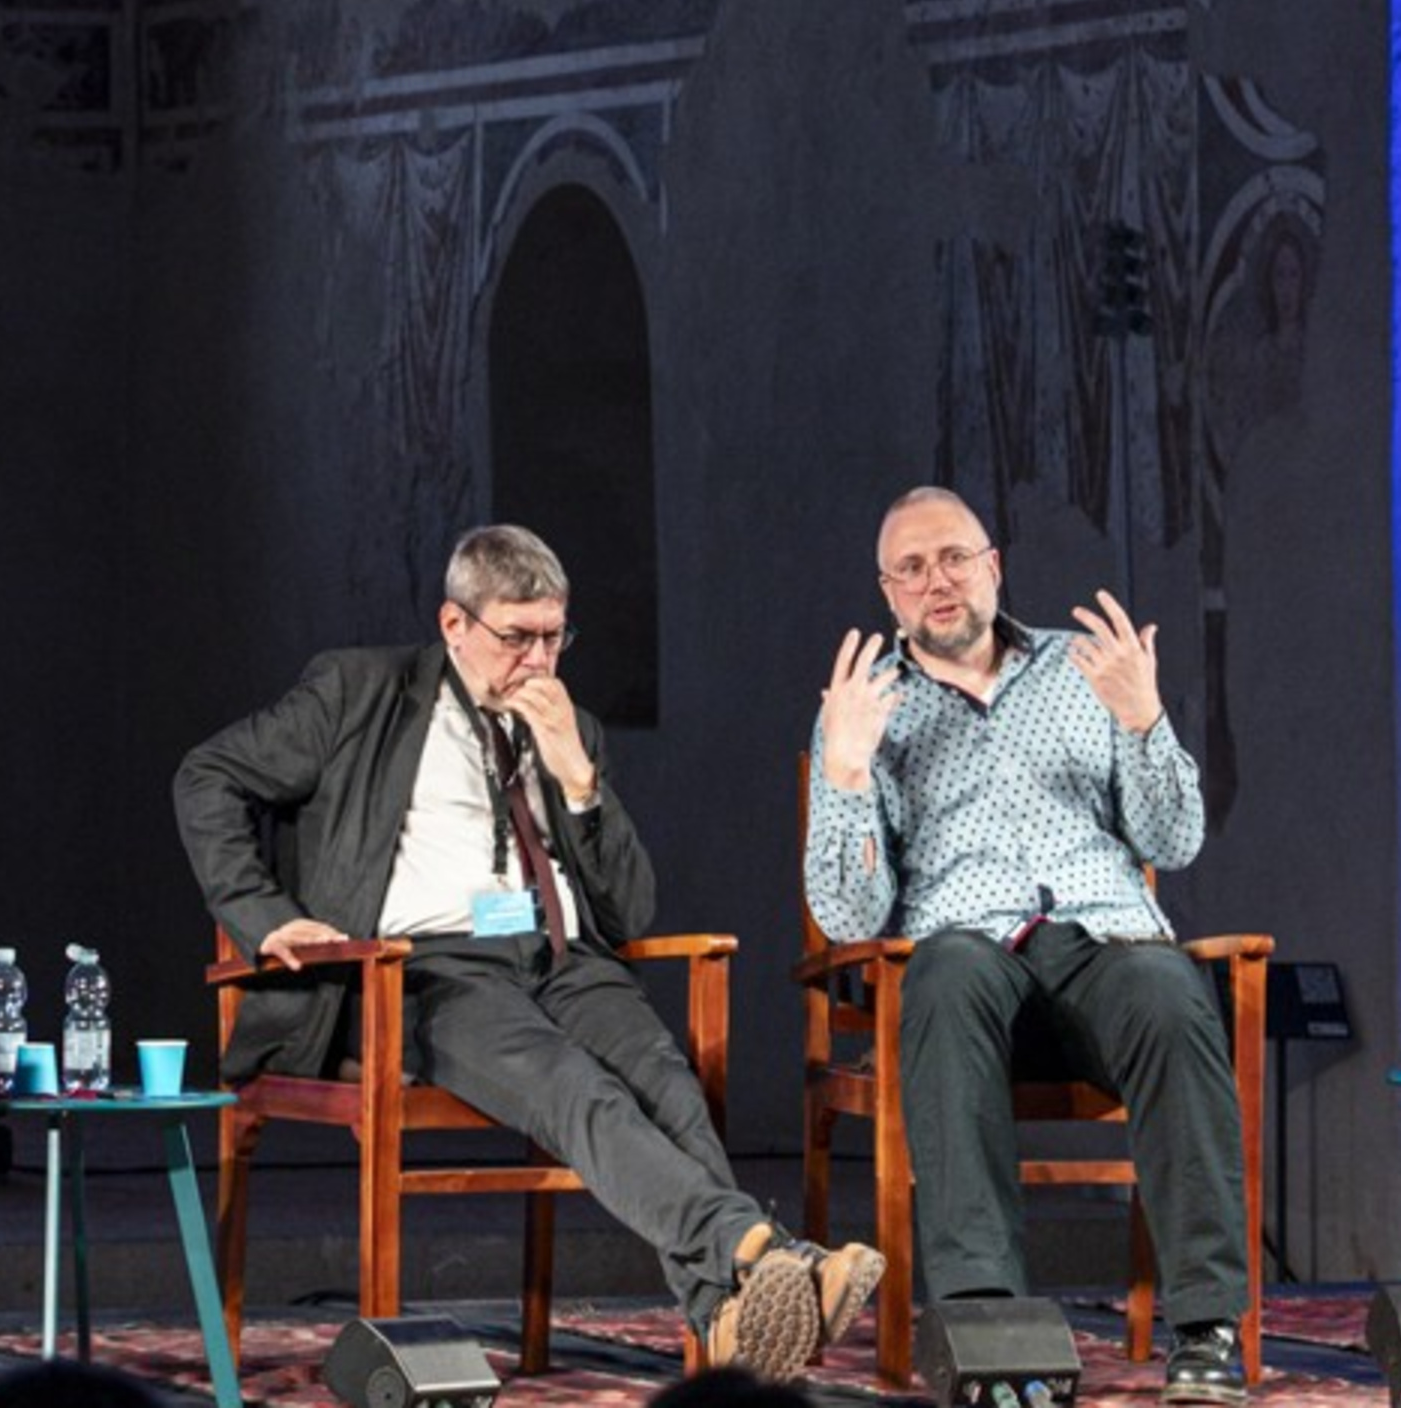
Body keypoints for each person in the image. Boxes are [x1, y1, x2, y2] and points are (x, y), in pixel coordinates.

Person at [174, 524, 880, 1375]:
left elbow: (628, 911)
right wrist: (265, 915)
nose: (538, 659)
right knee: (578, 1090)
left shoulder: (568, 725)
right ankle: (761, 1254)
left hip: (564, 959)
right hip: (426, 971)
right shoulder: (359, 691)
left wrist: (580, 784)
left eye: (555, 636)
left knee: (666, 1082)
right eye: (517, 637)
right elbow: (207, 776)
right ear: (454, 624)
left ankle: (729, 1319)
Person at [805, 487, 1252, 1403]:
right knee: (947, 970)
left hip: (1101, 948)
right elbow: (850, 918)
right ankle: (987, 1327)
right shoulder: (867, 709)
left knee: (1172, 994)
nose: (938, 582)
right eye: (913, 569)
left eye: (954, 559)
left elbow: (1172, 844)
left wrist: (1144, 721)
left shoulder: (1081, 671)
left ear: (993, 566)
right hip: (966, 964)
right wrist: (846, 771)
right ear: (888, 593)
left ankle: (1206, 1329)